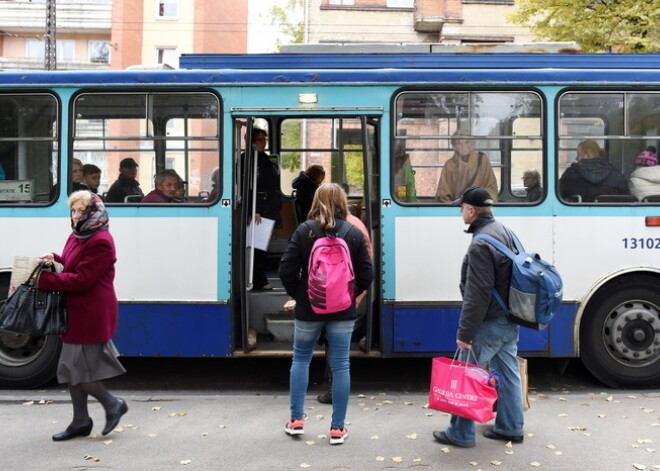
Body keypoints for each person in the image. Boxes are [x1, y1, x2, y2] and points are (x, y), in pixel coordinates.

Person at [279, 183, 373, 445]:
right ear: (343, 202)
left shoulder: (303, 231)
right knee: (341, 365)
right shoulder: (352, 233)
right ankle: (337, 429)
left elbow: (286, 269)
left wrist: (300, 295)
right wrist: (350, 296)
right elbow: (368, 274)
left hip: (309, 308)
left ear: (316, 201)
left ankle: (296, 421)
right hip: (343, 310)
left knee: (301, 360)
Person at [432, 186, 524, 448]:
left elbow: (477, 293)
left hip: (489, 322)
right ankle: (511, 427)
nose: (461, 212)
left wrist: (465, 333)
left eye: (462, 208)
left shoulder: (481, 243)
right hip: (510, 317)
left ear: (471, 211)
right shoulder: (504, 231)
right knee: (507, 373)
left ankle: (460, 433)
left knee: (466, 375)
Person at [37, 190, 127, 441]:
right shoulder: (79, 234)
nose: (76, 216)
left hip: (91, 312)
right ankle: (80, 421)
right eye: (73, 211)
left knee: (76, 372)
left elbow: (83, 279)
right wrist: (53, 260)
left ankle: (112, 404)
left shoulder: (101, 240)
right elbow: (70, 264)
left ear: (93, 213)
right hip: (78, 311)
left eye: (81, 211)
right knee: (72, 370)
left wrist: (46, 280)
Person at [316, 204, 373, 405]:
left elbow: (363, 268)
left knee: (335, 347)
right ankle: (333, 388)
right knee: (335, 345)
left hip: (339, 297)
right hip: (342, 295)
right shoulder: (354, 225)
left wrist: (351, 296)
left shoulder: (345, 227)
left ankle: (333, 390)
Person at [246, 129, 282, 290]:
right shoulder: (246, 160)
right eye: (259, 140)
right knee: (257, 247)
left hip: (269, 207)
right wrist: (253, 209)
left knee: (263, 246)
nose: (263, 143)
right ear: (251, 141)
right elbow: (247, 188)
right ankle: (258, 280)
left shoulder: (267, 160)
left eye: (264, 139)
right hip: (258, 207)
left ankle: (259, 278)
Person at [435, 130, 498, 203]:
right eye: (459, 143)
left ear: (472, 143)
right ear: (454, 146)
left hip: (479, 207)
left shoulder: (483, 160)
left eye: (466, 142)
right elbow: (443, 194)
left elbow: (491, 188)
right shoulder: (449, 165)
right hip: (458, 209)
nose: (463, 146)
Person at [559, 140, 629, 202]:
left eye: (578, 154)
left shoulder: (571, 173)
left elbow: (559, 194)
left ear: (587, 155)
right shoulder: (615, 173)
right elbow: (625, 196)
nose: (576, 158)